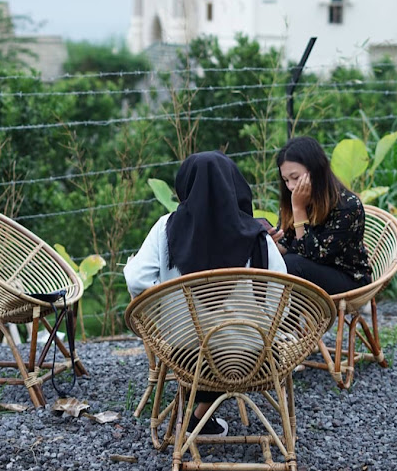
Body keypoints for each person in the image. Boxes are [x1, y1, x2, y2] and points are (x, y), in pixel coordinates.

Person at [124, 150, 287, 437]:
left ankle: (195, 416)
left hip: (185, 355)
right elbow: (283, 299)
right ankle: (200, 418)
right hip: (254, 357)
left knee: (200, 339)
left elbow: (137, 280)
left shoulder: (166, 228)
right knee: (237, 338)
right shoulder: (258, 236)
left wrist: (166, 312)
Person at [270, 136, 372, 295]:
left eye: (295, 178)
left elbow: (315, 256)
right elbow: (287, 244)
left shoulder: (347, 205)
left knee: (291, 265)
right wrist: (271, 243)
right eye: (286, 180)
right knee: (269, 263)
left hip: (349, 279)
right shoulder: (296, 200)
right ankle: (273, 319)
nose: (290, 186)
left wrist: (299, 209)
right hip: (309, 272)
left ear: (316, 170)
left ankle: (283, 320)